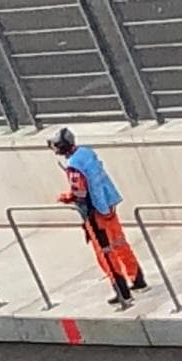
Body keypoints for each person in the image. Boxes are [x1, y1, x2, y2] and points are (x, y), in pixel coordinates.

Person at [48, 128, 146, 306]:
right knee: (120, 244)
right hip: (108, 204)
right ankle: (138, 279)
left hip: (95, 213)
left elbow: (80, 192)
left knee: (105, 252)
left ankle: (122, 292)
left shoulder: (73, 165)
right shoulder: (86, 152)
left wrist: (67, 197)